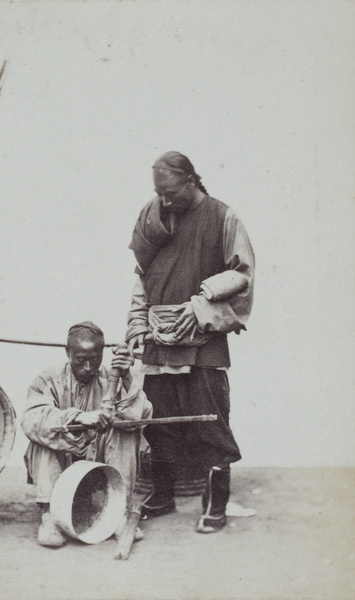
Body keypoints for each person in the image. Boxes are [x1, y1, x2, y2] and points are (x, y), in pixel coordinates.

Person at [126, 151, 255, 533]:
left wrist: (201, 305)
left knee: (211, 422)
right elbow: (140, 277)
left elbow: (242, 274)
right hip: (158, 338)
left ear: (191, 181)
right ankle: (162, 495)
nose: (164, 201)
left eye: (170, 192)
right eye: (158, 193)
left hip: (203, 340)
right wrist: (136, 322)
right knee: (159, 421)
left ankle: (216, 503)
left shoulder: (223, 217)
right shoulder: (154, 217)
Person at [21, 321, 152, 547]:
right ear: (67, 352)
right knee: (43, 435)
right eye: (81, 360)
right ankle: (49, 517)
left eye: (95, 359)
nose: (88, 368)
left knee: (126, 432)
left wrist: (127, 377)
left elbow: (141, 416)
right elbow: (31, 418)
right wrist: (78, 417)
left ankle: (119, 512)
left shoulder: (113, 378)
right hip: (62, 464)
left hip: (99, 464)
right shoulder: (49, 378)